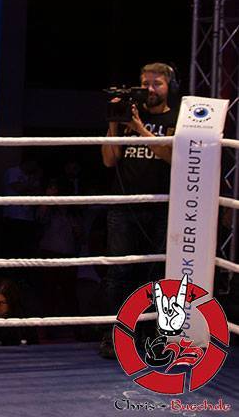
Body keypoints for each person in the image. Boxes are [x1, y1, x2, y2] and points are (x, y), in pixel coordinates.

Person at [99, 63, 177, 359]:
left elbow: (173, 156)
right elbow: (109, 161)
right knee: (119, 273)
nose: (150, 89)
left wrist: (140, 129)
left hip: (160, 207)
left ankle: (153, 336)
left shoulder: (174, 119)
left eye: (157, 83)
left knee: (156, 274)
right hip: (124, 205)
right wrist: (114, 123)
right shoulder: (128, 114)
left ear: (169, 87)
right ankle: (115, 335)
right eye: (145, 83)